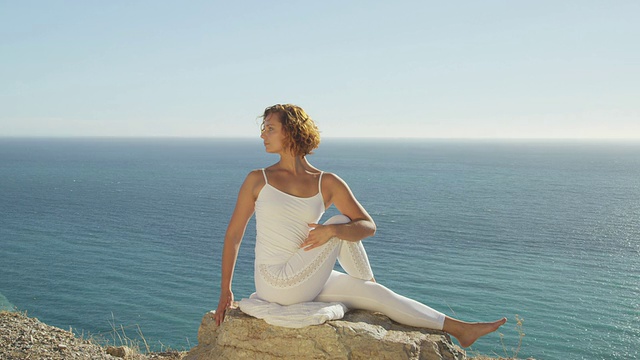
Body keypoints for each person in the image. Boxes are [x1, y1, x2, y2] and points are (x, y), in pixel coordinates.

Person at [214, 104, 506, 348]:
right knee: (341, 222)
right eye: (263, 129)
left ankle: (460, 329)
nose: (263, 135)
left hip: (306, 274)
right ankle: (367, 280)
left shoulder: (325, 181)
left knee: (373, 289)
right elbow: (234, 234)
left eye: (270, 128)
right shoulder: (258, 179)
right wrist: (225, 289)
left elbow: (367, 226)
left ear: (290, 132)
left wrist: (331, 232)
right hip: (274, 283)